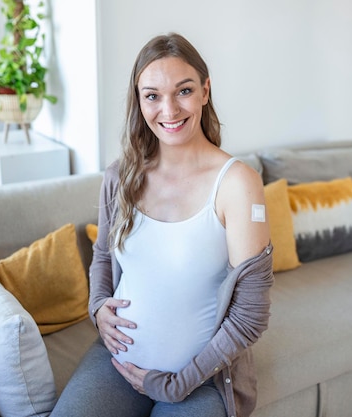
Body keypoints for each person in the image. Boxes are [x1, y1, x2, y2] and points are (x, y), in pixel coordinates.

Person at [51, 32, 274, 417]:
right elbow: (103, 254)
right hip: (116, 361)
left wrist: (177, 383)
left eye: (183, 91)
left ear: (205, 91)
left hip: (200, 379)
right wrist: (97, 307)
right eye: (152, 95)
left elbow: (250, 316)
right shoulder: (121, 176)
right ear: (139, 101)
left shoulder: (237, 184)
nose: (168, 110)